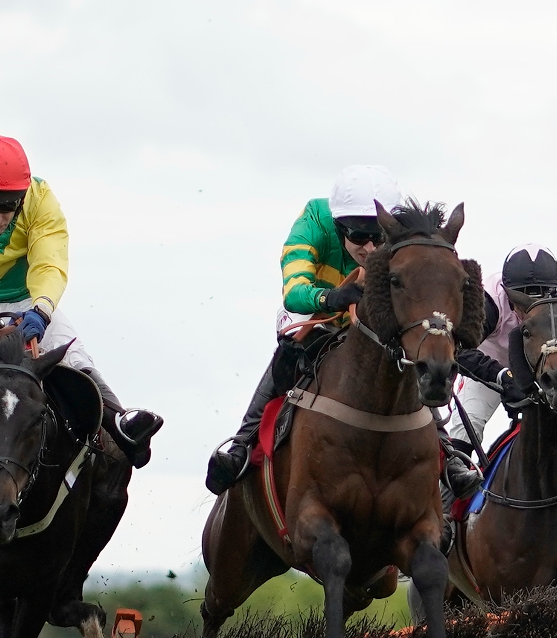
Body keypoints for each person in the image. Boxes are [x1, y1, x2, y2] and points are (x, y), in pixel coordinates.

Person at [205, 166, 481, 497]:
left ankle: (448, 455)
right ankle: (242, 442)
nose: (367, 247)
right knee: (288, 357)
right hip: (317, 317)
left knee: (411, 362)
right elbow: (294, 291)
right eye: (356, 236)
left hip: (372, 326)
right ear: (337, 227)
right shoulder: (314, 221)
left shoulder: (402, 235)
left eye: (376, 237)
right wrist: (332, 297)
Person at [0, 134, 163, 467]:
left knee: (73, 352)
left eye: (8, 207)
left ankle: (120, 422)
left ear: (22, 197)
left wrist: (42, 310)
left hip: (28, 299)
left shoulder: (41, 199)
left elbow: (50, 263)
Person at [450, 245, 557, 467]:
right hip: (490, 368)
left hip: (546, 369)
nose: (527, 309)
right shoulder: (488, 300)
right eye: (519, 301)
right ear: (506, 290)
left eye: (539, 299)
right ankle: (445, 493)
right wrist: (501, 375)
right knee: (467, 424)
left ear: (553, 292)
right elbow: (457, 349)